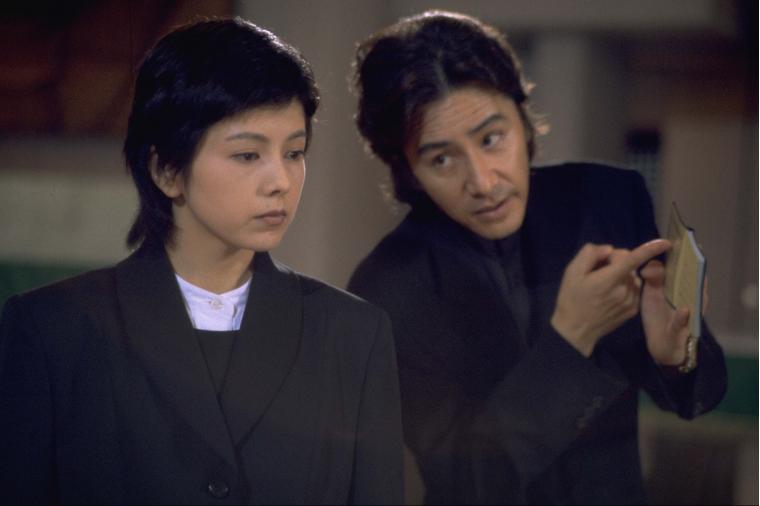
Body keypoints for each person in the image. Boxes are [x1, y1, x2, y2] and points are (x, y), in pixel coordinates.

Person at [0, 17, 403, 505]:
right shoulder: (51, 330)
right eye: (248, 155)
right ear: (167, 170)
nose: (280, 181)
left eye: (294, 153)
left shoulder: (352, 336)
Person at [347, 10, 726, 505]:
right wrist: (572, 338)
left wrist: (675, 357)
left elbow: (701, 395)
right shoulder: (386, 286)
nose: (483, 182)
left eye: (491, 139)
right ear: (407, 168)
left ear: (522, 120)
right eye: (441, 159)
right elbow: (468, 483)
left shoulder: (607, 199)